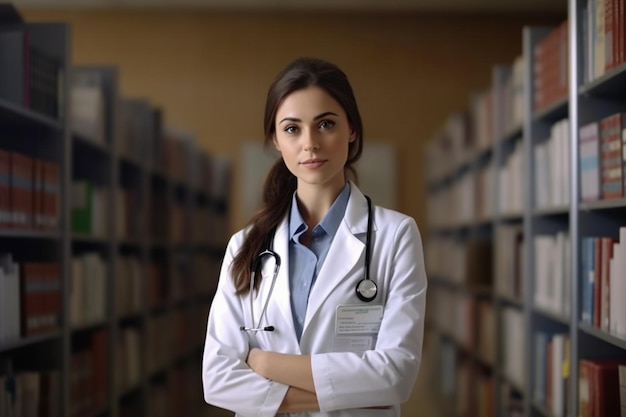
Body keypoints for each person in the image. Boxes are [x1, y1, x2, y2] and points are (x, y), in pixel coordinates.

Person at [202, 57, 428, 416]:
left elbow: (397, 375)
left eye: (325, 124)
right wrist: (356, 390)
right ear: (276, 139)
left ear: (352, 129)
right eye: (292, 129)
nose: (310, 143)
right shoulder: (245, 246)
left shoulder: (395, 236)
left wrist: (264, 363)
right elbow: (217, 380)